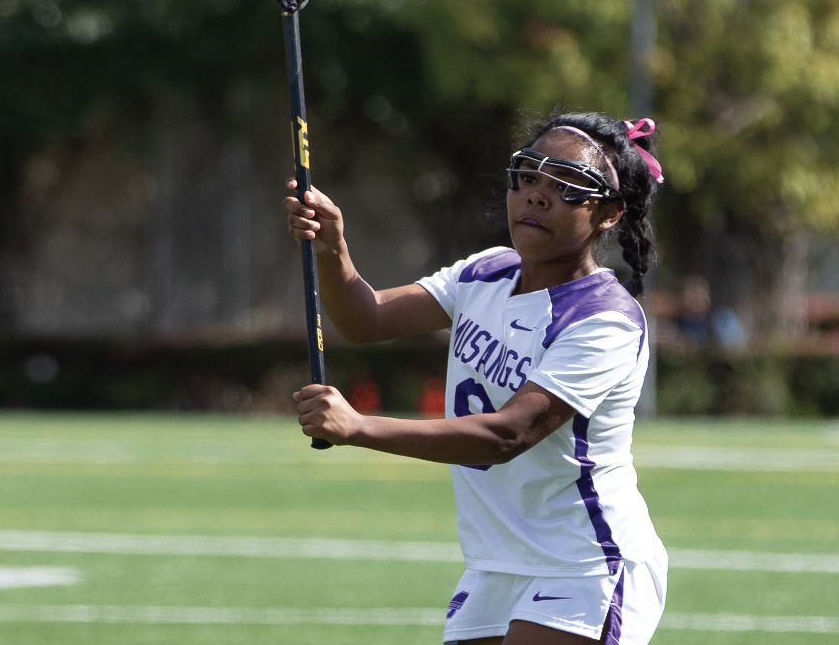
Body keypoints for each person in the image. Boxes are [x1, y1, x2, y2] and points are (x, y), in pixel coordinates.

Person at [284, 112, 668, 645]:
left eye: (568, 187)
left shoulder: (603, 318)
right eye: (528, 176)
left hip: (584, 562)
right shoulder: (485, 271)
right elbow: (364, 319)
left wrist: (358, 427)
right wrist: (332, 247)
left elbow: (507, 434)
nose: (537, 196)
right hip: (495, 562)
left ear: (608, 214)